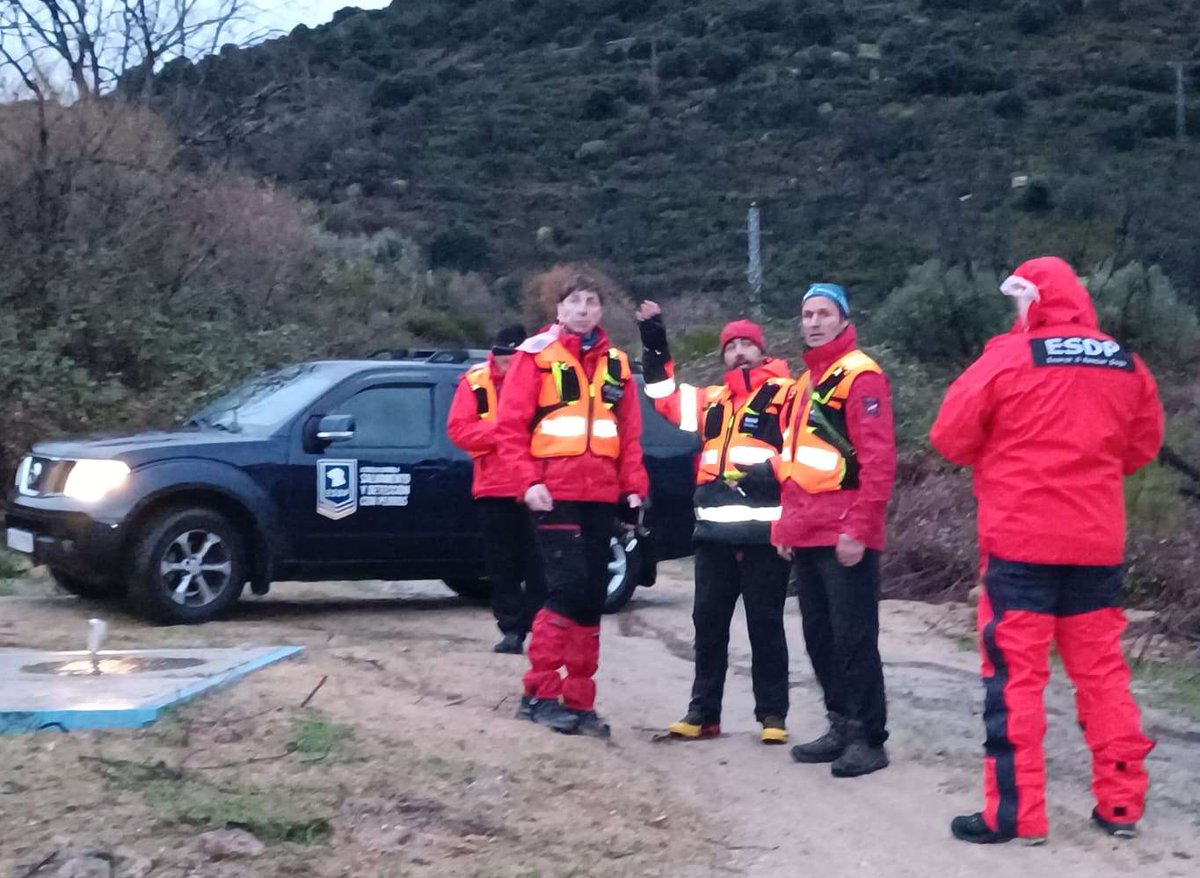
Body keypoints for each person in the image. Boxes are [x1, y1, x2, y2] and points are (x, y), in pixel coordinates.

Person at [930, 256, 1164, 845]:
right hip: (1095, 546)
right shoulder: (1126, 362)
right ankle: (1120, 807)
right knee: (1103, 676)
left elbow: (950, 437)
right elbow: (1140, 448)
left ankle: (1015, 816)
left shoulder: (1008, 357)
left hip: (1021, 546)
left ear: (1032, 300)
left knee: (1015, 681)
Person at [495, 263, 649, 737]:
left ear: (600, 309)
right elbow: (509, 428)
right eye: (573, 302)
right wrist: (527, 483)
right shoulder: (534, 355)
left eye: (590, 302)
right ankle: (538, 694)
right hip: (553, 493)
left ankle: (580, 702)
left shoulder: (617, 364)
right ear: (557, 308)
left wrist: (635, 487)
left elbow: (629, 435)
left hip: (601, 494)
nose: (582, 310)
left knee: (590, 598)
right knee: (563, 591)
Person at [636, 301, 793, 745]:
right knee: (708, 626)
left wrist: (770, 473)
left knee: (766, 626)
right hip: (712, 535)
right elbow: (661, 396)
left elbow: (806, 450)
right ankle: (703, 714)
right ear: (724, 355)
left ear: (762, 352)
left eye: (747, 345)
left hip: (764, 534)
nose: (739, 352)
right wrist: (654, 340)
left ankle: (772, 716)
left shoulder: (788, 394)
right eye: (732, 346)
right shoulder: (711, 400)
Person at [774, 283, 896, 778]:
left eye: (824, 313)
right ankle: (840, 722)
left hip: (845, 530)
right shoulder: (804, 382)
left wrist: (859, 528)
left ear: (844, 319)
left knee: (853, 638)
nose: (814, 322)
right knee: (819, 636)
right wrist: (784, 524)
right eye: (807, 313)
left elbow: (878, 459)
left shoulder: (861, 376)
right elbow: (791, 462)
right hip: (806, 530)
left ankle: (869, 736)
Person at [447, 325, 546, 655]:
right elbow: (459, 431)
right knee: (501, 566)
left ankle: (540, 626)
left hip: (536, 485)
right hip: (492, 487)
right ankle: (511, 629)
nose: (510, 368)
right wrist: (507, 429)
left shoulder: (544, 375)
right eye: (505, 362)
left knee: (539, 563)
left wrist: (500, 432)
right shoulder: (475, 381)